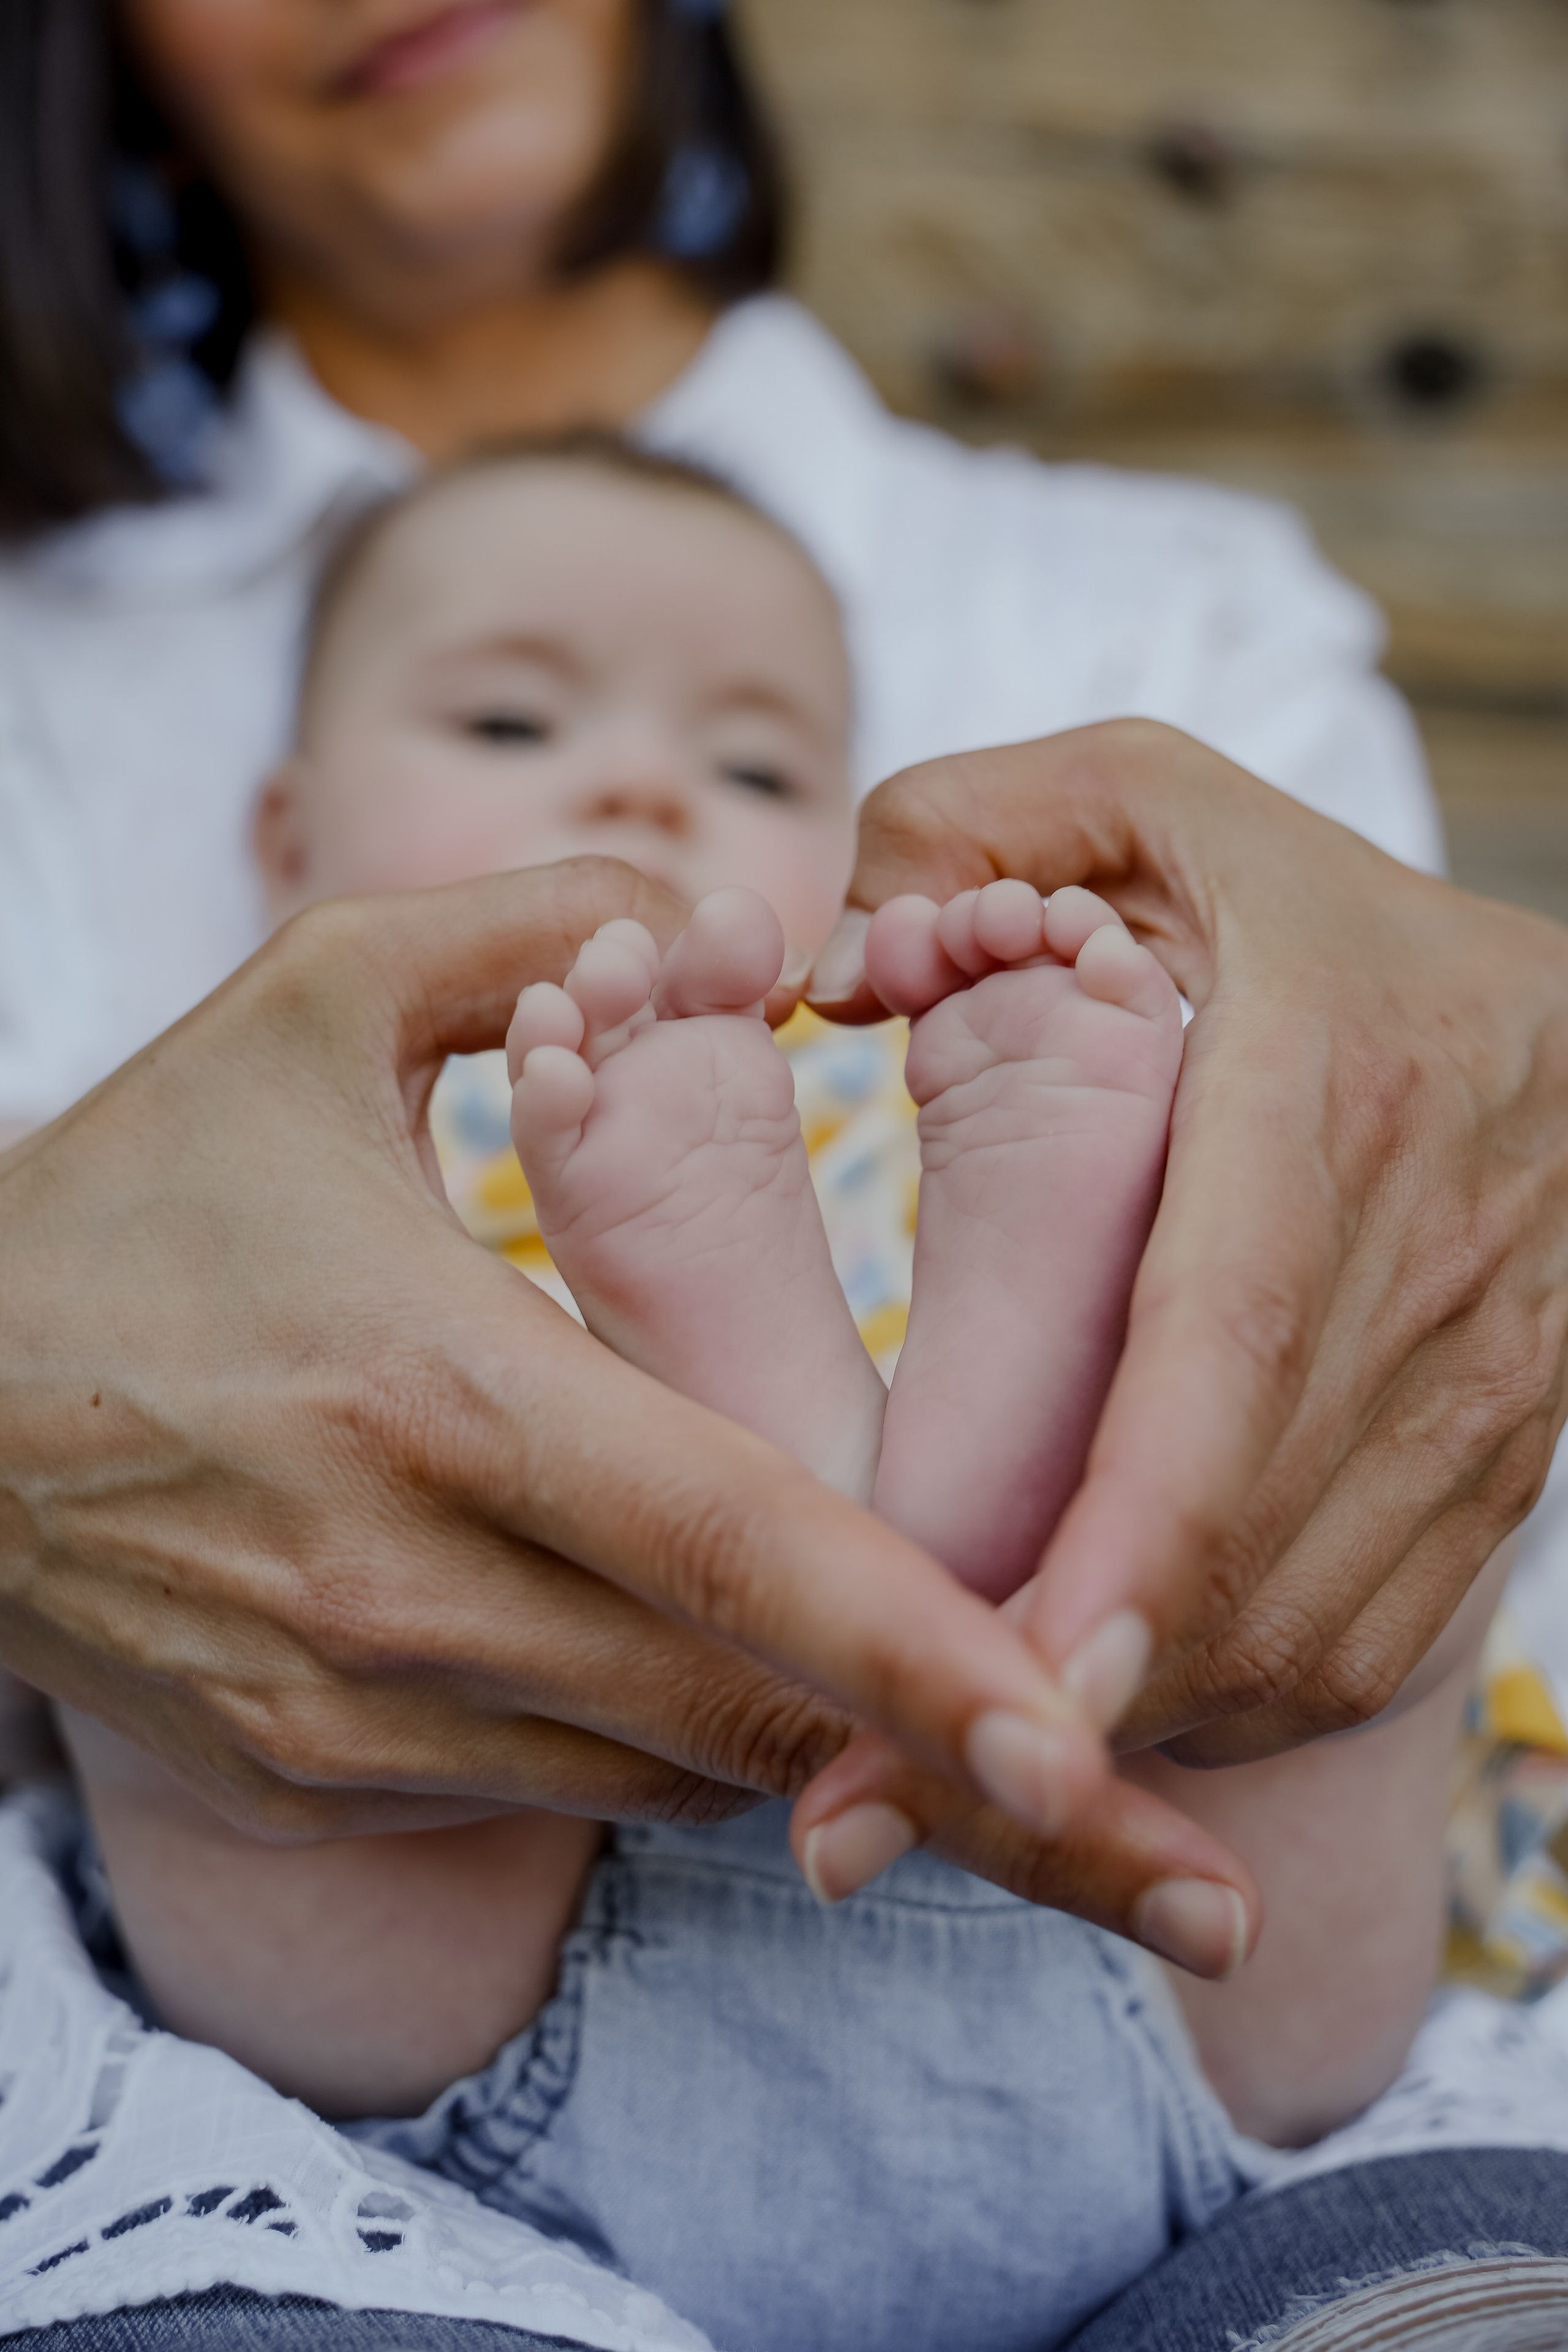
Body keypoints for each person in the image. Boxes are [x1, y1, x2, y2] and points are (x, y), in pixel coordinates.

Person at [6, 1, 1568, 2343]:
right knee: (194, 1453)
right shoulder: (212, 1068)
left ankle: (943, 1420)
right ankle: (810, 1444)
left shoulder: (1158, 622)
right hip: (426, 2088)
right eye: (515, 723)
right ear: (280, 837)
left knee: (1329, 1396)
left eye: (750, 760)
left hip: (1144, 1913)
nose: (636, 789)